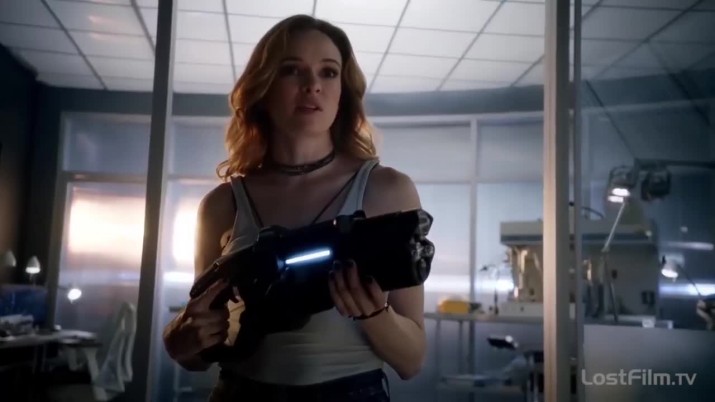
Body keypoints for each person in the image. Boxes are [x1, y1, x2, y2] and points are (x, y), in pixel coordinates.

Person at [162, 14, 426, 402]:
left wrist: (374, 315)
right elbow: (199, 344)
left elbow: (412, 361)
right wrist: (180, 340)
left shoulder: (387, 191)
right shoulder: (222, 204)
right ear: (264, 86)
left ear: (343, 91)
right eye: (291, 70)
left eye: (328, 72)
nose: (312, 85)